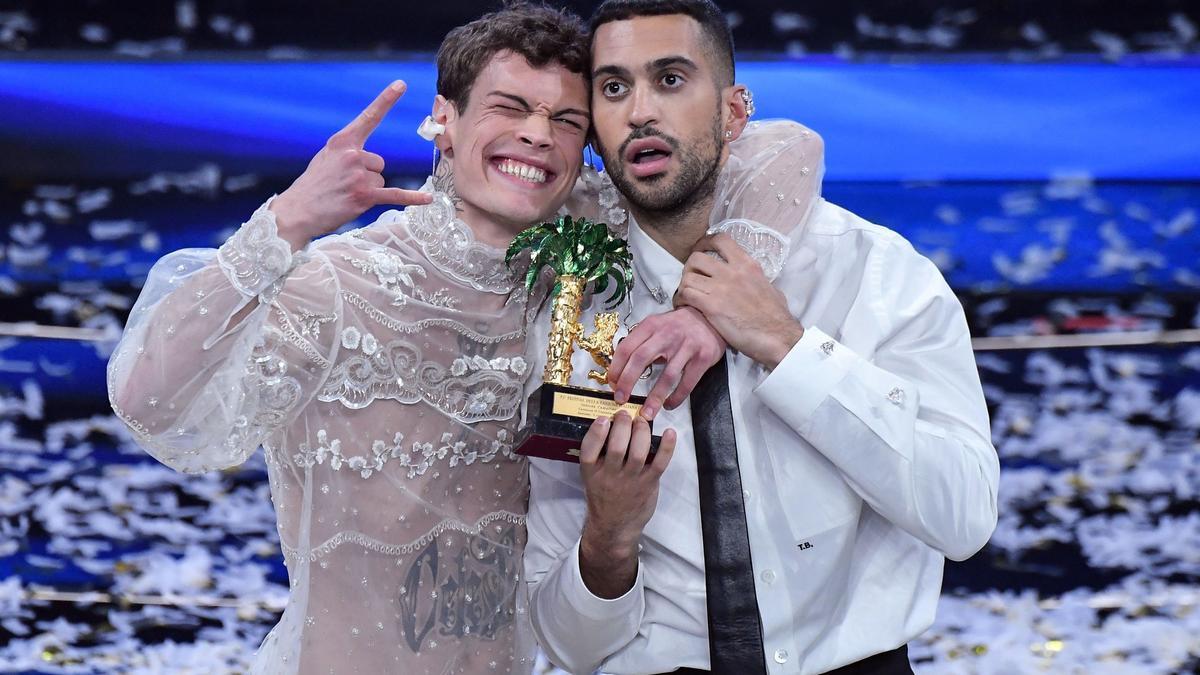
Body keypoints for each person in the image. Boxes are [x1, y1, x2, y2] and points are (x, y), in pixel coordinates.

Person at [106, 4, 593, 673]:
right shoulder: (339, 284)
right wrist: (288, 221)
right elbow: (149, 404)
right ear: (443, 120)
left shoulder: (579, 291)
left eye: (567, 120)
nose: (539, 135)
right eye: (510, 107)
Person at [523, 1, 1001, 674]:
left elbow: (966, 516)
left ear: (734, 111)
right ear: (596, 134)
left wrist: (788, 345)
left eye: (669, 79)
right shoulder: (567, 314)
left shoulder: (874, 273)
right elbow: (570, 647)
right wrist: (609, 535)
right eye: (613, 87)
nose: (639, 113)